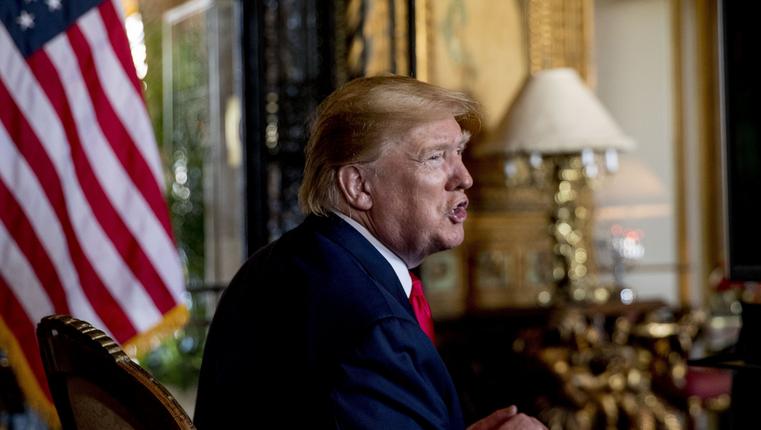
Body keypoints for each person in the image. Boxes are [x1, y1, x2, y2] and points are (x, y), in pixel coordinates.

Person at [193, 75, 546, 429]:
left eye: (459, 152)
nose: (463, 177)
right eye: (435, 156)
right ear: (358, 186)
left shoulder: (285, 262)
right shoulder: (373, 324)